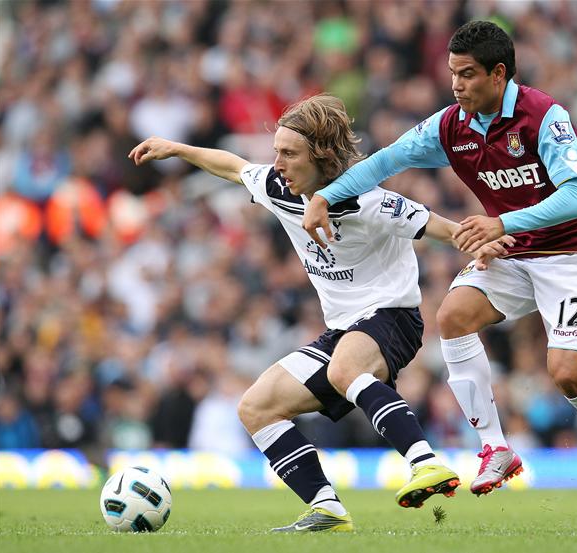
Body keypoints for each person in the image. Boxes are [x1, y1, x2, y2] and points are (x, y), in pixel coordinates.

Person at [303, 21, 577, 527]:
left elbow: (576, 197)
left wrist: (499, 222)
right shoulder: (451, 126)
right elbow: (384, 162)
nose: (456, 85)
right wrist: (326, 196)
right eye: (452, 73)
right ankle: (496, 449)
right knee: (453, 315)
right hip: (513, 250)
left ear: (499, 74)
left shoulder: (543, 116)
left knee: (568, 373)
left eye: (467, 74)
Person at [129, 94, 510, 532]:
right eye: (276, 151)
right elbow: (233, 167)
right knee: (256, 407)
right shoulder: (278, 188)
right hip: (342, 329)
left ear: (323, 155)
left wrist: (483, 242)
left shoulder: (368, 201)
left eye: (289, 153)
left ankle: (424, 462)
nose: (277, 163)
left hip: (393, 317)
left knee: (344, 370)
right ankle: (326, 506)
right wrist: (177, 149)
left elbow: (439, 227)